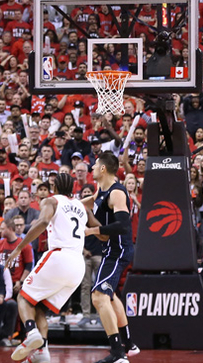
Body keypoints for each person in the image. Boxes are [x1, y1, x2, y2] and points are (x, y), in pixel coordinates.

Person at [5, 173, 88, 362]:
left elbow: (42, 222)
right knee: (39, 306)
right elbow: (99, 231)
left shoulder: (51, 201)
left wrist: (18, 248)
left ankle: (31, 332)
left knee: (23, 297)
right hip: (78, 265)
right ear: (73, 188)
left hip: (59, 256)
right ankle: (42, 350)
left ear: (55, 188)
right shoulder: (81, 206)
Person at [84, 152, 139, 363]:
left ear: (103, 169)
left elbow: (123, 225)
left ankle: (118, 353)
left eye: (95, 165)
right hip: (110, 251)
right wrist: (67, 205)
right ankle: (129, 344)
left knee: (98, 297)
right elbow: (90, 201)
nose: (92, 169)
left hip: (118, 251)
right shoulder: (101, 190)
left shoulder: (116, 193)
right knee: (111, 296)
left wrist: (92, 231)